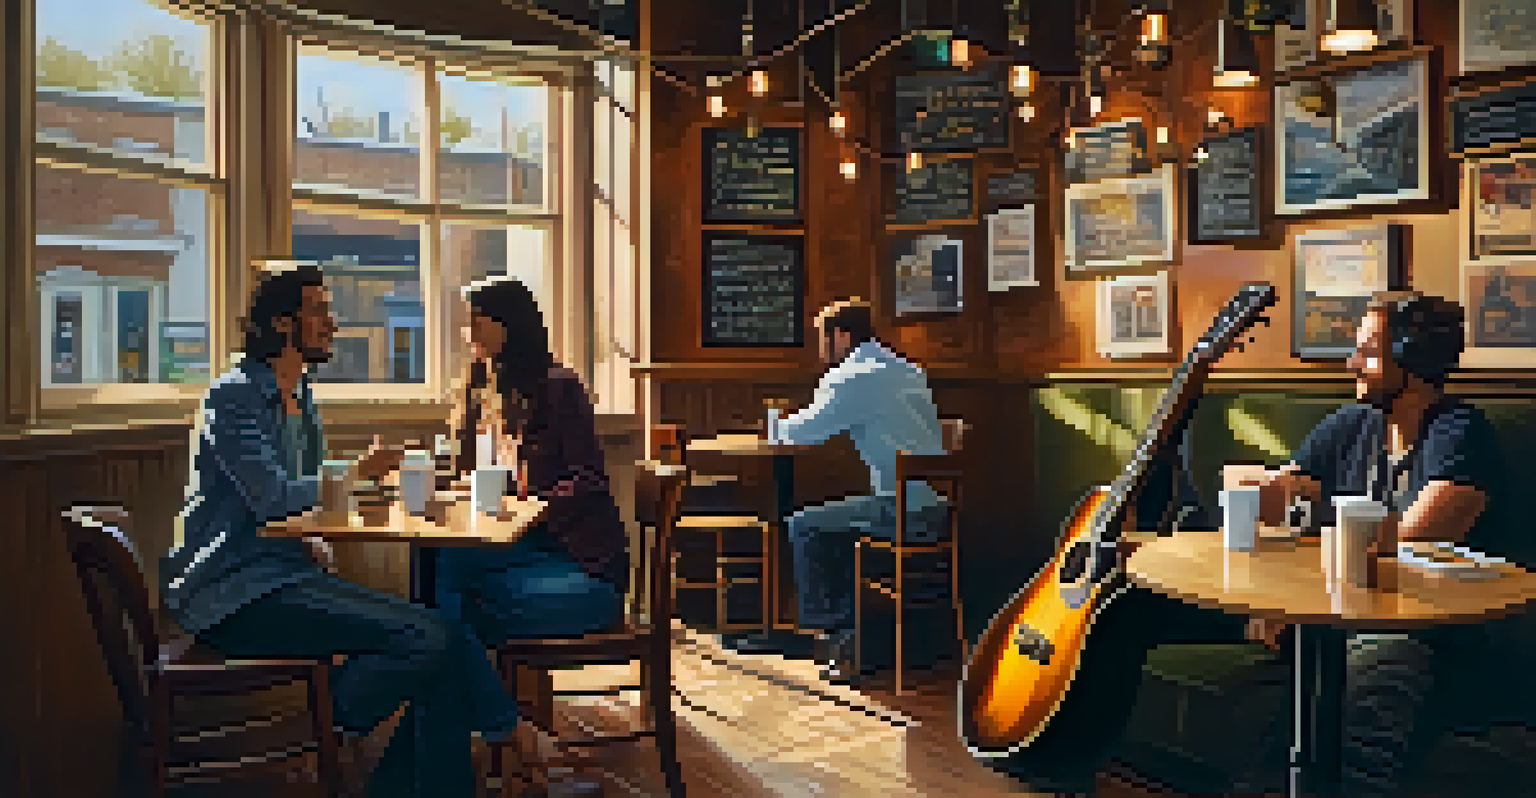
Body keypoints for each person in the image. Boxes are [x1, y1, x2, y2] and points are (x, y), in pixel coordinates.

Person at [990, 292, 1506, 797]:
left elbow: (1415, 536)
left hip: (1410, 627)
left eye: (1368, 350)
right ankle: (1065, 760)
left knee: (1370, 683)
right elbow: (1275, 491)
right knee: (1123, 607)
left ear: (1411, 357)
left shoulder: (1459, 433)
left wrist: (1292, 587)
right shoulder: (1356, 422)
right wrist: (1250, 498)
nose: (1352, 362)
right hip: (1319, 610)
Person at [160, 263, 522, 798]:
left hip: (284, 578)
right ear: (283, 324)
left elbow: (306, 502)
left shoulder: (300, 396)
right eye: (320, 310)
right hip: (233, 595)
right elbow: (275, 499)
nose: (332, 321)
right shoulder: (230, 398)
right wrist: (358, 473)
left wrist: (316, 534)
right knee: (431, 636)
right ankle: (326, 727)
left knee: (435, 638)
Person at [728, 298, 951, 683]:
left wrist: (775, 420)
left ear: (842, 337)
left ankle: (833, 638)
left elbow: (804, 431)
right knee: (838, 527)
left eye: (822, 339)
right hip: (938, 510)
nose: (820, 350)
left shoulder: (853, 375)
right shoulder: (907, 370)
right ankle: (858, 637)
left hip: (901, 510)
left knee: (803, 525)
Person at [435, 276, 627, 652]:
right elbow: (482, 476)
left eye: (477, 320)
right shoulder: (490, 392)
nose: (468, 331)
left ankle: (480, 708)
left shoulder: (560, 387)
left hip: (581, 569)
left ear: (509, 323)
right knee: (439, 566)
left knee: (456, 605)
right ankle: (479, 707)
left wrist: (531, 510)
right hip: (531, 555)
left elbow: (589, 480)